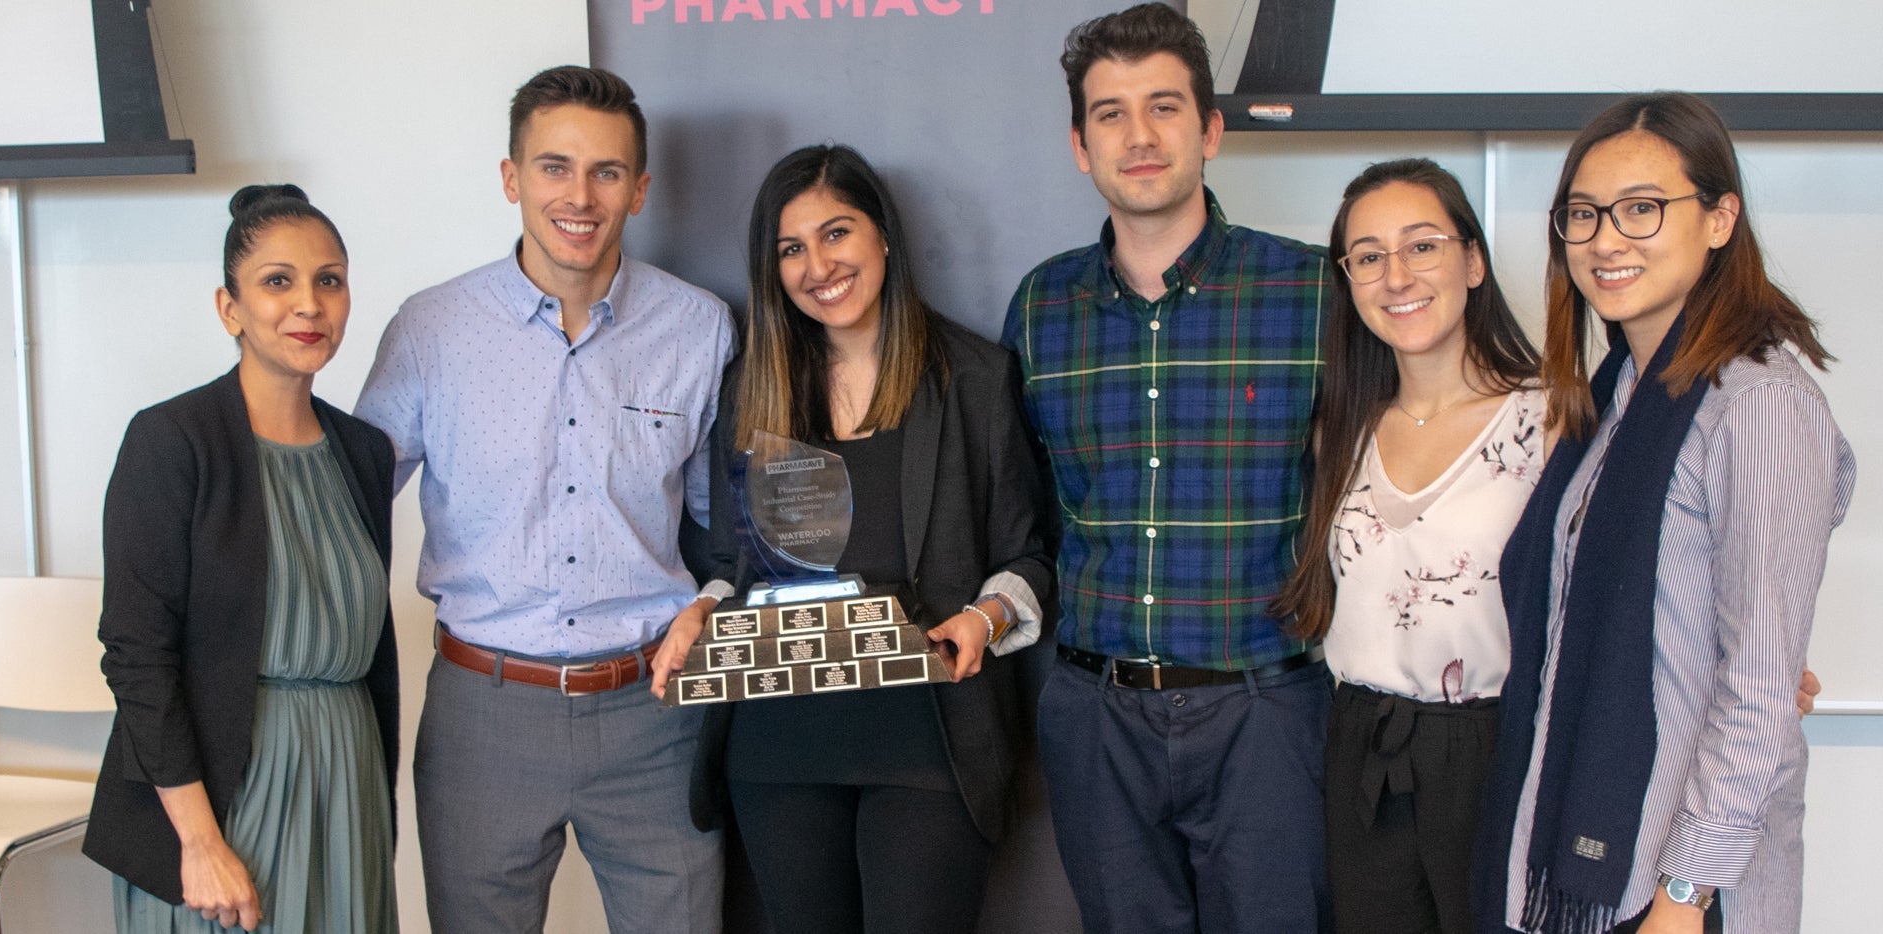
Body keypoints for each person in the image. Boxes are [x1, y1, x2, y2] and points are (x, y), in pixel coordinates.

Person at [355, 66, 733, 932]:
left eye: (606, 172)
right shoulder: (430, 329)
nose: (580, 195)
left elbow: (725, 527)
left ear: (639, 189)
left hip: (656, 712)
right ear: (511, 177)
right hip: (483, 713)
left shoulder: (700, 327)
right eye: (555, 167)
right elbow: (346, 500)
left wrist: (711, 602)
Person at [1474, 92, 1855, 934]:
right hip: (1578, 870)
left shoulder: (1758, 405)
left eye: (1642, 209)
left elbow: (1757, 687)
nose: (1607, 240)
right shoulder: (1611, 402)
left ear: (1720, 219)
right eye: (1584, 214)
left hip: (1679, 888)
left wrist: (1685, 897)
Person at [649, 143, 1053, 934]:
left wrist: (986, 620)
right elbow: (734, 565)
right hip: (777, 746)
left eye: (837, 234)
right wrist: (702, 610)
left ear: (884, 238)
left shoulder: (972, 378)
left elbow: (1028, 557)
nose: (817, 265)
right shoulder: (753, 389)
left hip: (927, 739)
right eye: (791, 249)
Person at [1001, 4, 1334, 930]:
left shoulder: (1313, 291)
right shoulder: (1042, 308)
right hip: (1096, 712)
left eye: (1163, 108)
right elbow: (1025, 507)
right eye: (1110, 113)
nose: (1138, 136)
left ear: (1211, 130)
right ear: (1080, 143)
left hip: (1266, 710)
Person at [86, 184, 399, 933]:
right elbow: (137, 655)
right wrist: (198, 842)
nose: (310, 305)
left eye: (329, 280)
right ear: (230, 309)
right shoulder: (172, 441)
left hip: (346, 779)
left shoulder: (363, 450)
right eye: (277, 282)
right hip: (226, 788)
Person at [1270, 159, 1542, 934]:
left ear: (1473, 260)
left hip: (1493, 749)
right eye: (1368, 256)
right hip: (1362, 743)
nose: (1396, 276)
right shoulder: (1343, 427)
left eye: (1422, 246)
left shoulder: (1551, 419)